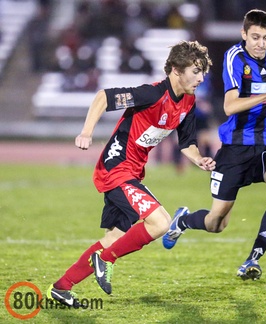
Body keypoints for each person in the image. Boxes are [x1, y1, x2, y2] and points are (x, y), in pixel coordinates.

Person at [47, 40, 215, 307]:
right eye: (196, 71)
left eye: (202, 71)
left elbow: (187, 144)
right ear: (175, 69)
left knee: (114, 239)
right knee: (160, 222)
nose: (201, 77)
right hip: (116, 168)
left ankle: (62, 287)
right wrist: (87, 131)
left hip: (132, 173)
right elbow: (103, 96)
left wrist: (199, 159)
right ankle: (106, 260)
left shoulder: (188, 103)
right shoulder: (151, 94)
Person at [162, 9, 266, 281]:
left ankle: (253, 259)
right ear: (244, 34)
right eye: (255, 37)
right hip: (236, 146)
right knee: (216, 222)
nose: (260, 43)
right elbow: (230, 106)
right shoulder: (235, 57)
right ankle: (183, 220)